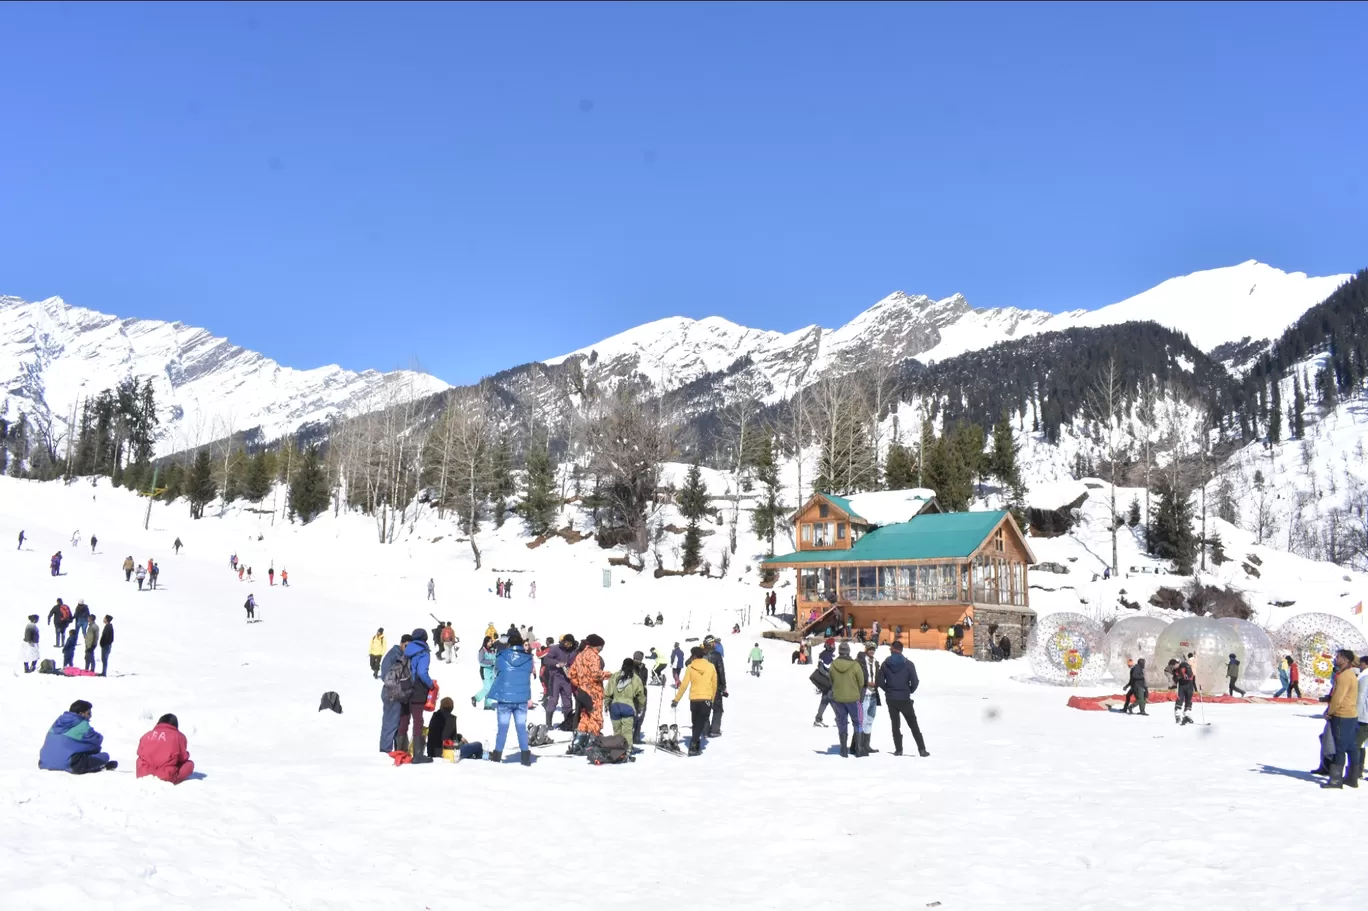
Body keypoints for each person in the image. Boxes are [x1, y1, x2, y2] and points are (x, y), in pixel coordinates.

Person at [486, 631, 536, 765]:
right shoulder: (529, 659)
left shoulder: (502, 656)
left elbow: (496, 671)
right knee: (521, 728)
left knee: (502, 727)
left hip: (504, 698)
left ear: (509, 644)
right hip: (521, 698)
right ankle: (525, 757)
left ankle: (497, 755)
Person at [877, 641, 930, 756]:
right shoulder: (909, 664)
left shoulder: (886, 664)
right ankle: (922, 749)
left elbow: (880, 681)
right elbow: (915, 682)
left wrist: (888, 690)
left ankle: (899, 750)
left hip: (891, 698)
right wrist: (909, 691)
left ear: (892, 649)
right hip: (905, 698)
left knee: (895, 725)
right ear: (901, 650)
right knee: (913, 724)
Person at [39, 700, 116, 774]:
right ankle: (98, 767)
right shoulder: (82, 725)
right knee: (104, 756)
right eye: (88, 713)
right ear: (81, 714)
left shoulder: (57, 722)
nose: (90, 716)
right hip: (68, 764)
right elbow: (97, 740)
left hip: (44, 762)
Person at [1322, 649, 1361, 789]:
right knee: (1351, 746)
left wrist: (1329, 712)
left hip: (1341, 715)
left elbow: (1338, 698)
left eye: (1337, 657)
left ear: (1344, 660)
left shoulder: (1344, 676)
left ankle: (1335, 780)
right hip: (1351, 715)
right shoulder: (1351, 675)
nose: (1335, 659)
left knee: (1339, 748)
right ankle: (1352, 778)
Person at [672, 646, 718, 756]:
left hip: (694, 699)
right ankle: (693, 745)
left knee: (695, 722)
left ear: (693, 656)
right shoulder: (711, 667)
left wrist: (676, 699)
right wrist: (712, 698)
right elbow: (714, 684)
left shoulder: (690, 667)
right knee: (700, 723)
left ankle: (696, 743)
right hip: (706, 698)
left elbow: (683, 685)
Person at [567, 633, 609, 752]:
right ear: (598, 646)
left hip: (582, 693)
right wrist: (609, 674)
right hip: (594, 693)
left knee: (585, 717)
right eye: (602, 646)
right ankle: (592, 744)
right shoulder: (593, 656)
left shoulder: (580, 655)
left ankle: (578, 742)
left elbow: (571, 674)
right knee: (596, 718)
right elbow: (596, 674)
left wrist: (580, 684)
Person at [399, 629, 435, 763]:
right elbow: (421, 672)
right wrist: (431, 685)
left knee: (404, 719)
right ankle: (418, 754)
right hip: (417, 689)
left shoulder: (407, 651)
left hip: (403, 688)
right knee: (418, 721)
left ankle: (400, 750)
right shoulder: (423, 652)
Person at [829, 642, 865, 758]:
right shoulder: (855, 665)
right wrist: (856, 691)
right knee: (858, 722)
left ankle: (843, 749)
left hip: (838, 698)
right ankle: (859, 749)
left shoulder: (833, 665)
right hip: (853, 698)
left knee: (842, 722)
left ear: (839, 652)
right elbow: (861, 682)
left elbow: (831, 680)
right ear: (848, 652)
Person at [136, 714, 195, 784]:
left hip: (143, 773)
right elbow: (183, 757)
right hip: (166, 775)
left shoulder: (146, 735)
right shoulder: (179, 736)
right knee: (189, 764)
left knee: (140, 759)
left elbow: (139, 752)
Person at [379, 634, 412, 752]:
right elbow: (385, 676)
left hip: (400, 696)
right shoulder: (393, 655)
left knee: (399, 724)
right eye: (406, 645)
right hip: (391, 695)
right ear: (401, 644)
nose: (408, 648)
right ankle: (385, 750)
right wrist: (398, 688)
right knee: (390, 723)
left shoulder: (405, 656)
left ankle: (399, 750)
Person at [606, 656, 647, 746]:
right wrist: (641, 707)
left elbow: (608, 692)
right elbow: (641, 695)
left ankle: (617, 751)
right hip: (628, 706)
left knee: (617, 732)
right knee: (627, 733)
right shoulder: (636, 679)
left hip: (615, 706)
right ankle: (627, 751)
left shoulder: (615, 676)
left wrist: (606, 704)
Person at [544, 635, 578, 729]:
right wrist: (557, 663)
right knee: (553, 699)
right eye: (566, 643)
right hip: (556, 677)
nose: (568, 645)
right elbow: (547, 659)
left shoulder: (573, 650)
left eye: (570, 644)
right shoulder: (555, 648)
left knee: (567, 701)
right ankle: (548, 723)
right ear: (563, 642)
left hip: (567, 678)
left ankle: (567, 722)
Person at [854, 642, 880, 756]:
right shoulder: (859, 662)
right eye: (870, 649)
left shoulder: (876, 662)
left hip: (874, 694)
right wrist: (866, 683)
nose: (872, 651)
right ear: (866, 649)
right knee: (862, 720)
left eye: (873, 649)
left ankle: (866, 745)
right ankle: (858, 746)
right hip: (864, 694)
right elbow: (856, 677)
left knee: (870, 719)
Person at [1349, 655, 1368, 788]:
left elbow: (1360, 698)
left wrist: (1355, 714)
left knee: (1356, 744)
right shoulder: (1362, 676)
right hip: (1363, 716)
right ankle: (1358, 770)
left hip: (1363, 717)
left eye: (1361, 664)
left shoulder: (1364, 678)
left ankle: (1354, 773)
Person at [703, 635, 728, 736]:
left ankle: (705, 730)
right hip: (715, 686)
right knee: (717, 709)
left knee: (705, 709)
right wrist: (724, 685)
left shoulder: (701, 655)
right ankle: (714, 730)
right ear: (712, 643)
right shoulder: (716, 655)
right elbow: (721, 671)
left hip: (702, 686)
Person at [813, 637, 836, 727]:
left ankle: (818, 719)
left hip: (827, 682)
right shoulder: (826, 655)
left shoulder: (827, 654)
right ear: (829, 646)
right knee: (832, 699)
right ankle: (839, 718)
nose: (834, 646)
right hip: (827, 682)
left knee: (826, 700)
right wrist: (829, 676)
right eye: (833, 645)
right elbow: (822, 668)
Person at [472, 637, 497, 709]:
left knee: (491, 688)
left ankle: (488, 705)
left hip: (492, 671)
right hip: (485, 670)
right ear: (486, 642)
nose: (491, 643)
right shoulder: (482, 650)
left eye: (491, 641)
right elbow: (481, 661)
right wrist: (491, 662)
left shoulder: (492, 650)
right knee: (487, 687)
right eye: (489, 641)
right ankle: (475, 698)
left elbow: (495, 659)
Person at [1173, 653, 1197, 725]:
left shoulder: (1185, 665)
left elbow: (1189, 675)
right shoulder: (1175, 670)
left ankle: (1187, 715)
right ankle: (1178, 716)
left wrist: (1181, 676)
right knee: (1179, 700)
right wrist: (1176, 679)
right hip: (1181, 686)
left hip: (1189, 684)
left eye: (1175, 664)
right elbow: (1175, 678)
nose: (1174, 666)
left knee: (1188, 700)